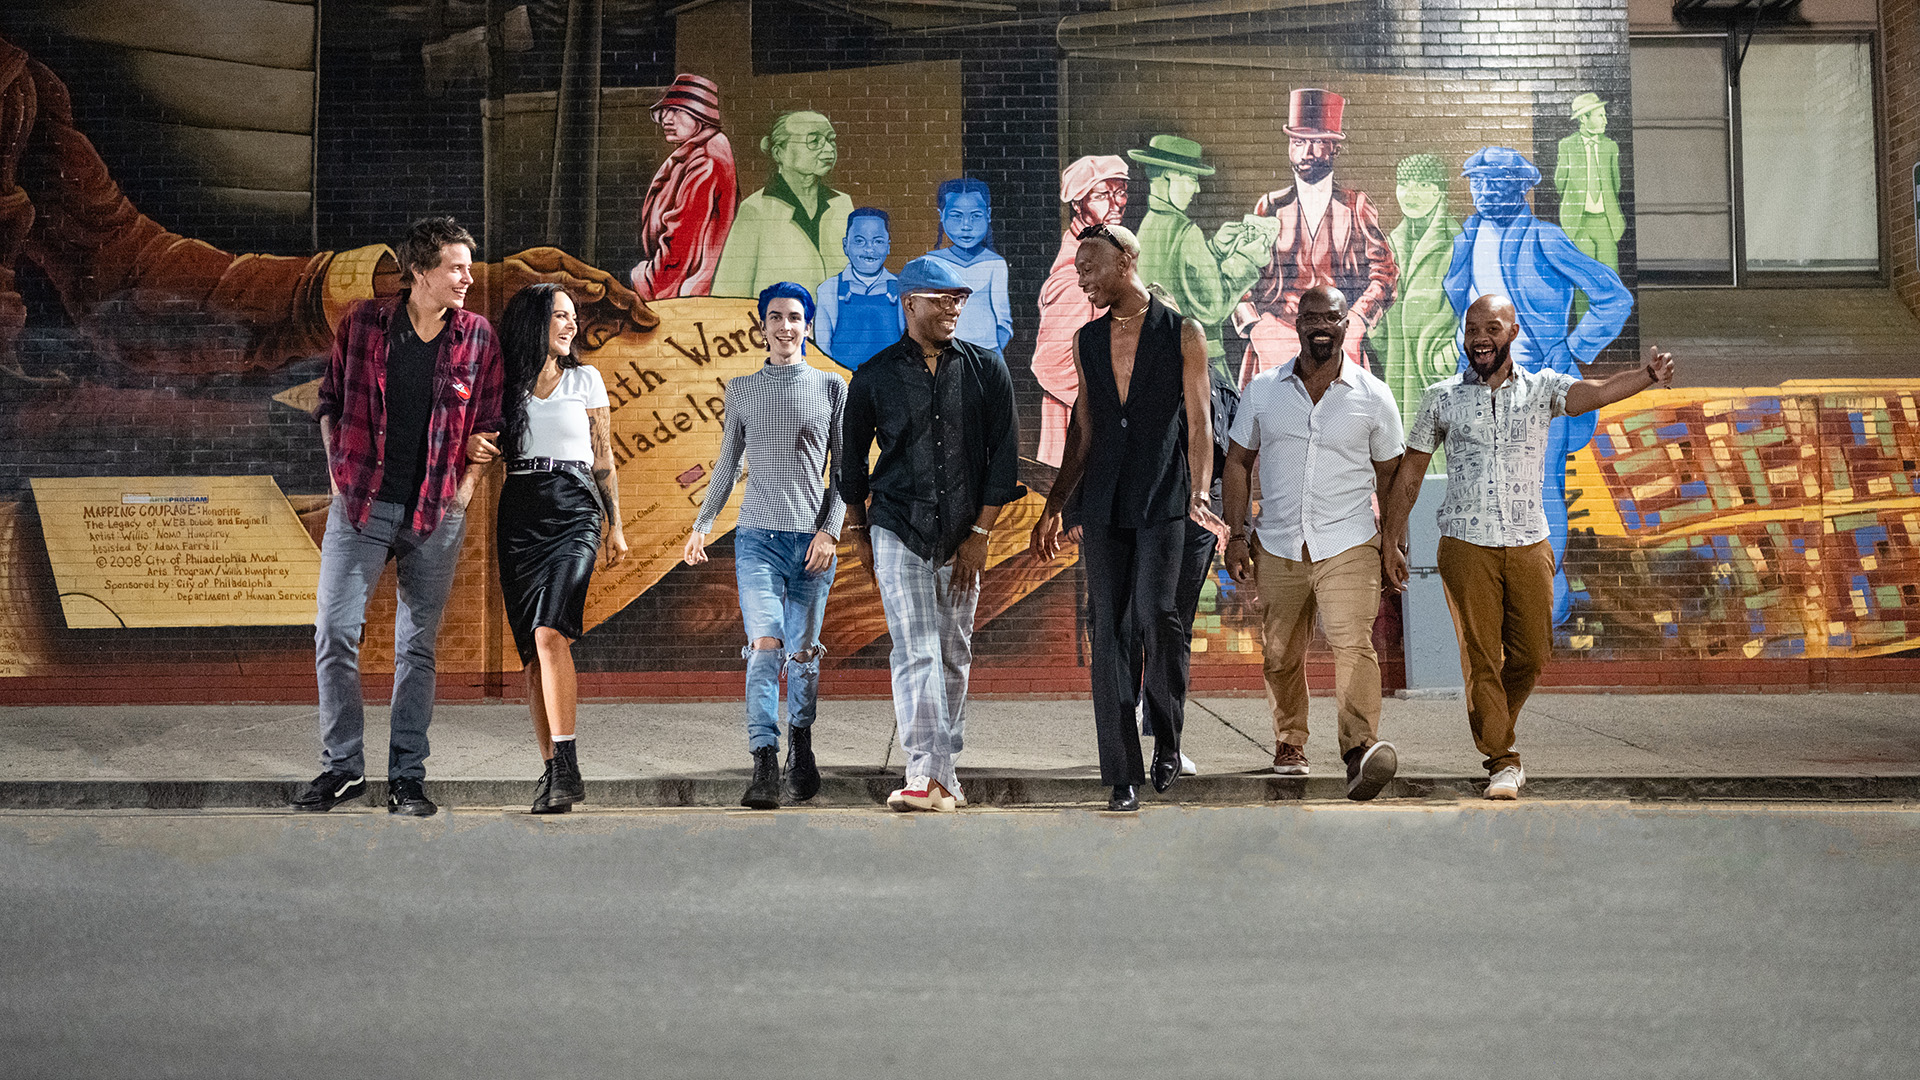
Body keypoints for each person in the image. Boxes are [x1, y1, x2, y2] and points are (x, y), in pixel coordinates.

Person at [1381, 294, 1675, 800]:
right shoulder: (1441, 398)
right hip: (1465, 542)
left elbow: (1597, 393)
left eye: (1490, 328)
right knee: (1480, 656)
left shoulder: (1543, 388)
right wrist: (1392, 539)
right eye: (1471, 329)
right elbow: (1410, 474)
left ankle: (1494, 726)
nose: (1478, 338)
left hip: (1527, 540)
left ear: (1512, 333)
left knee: (1534, 653)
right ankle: (1502, 759)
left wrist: (1646, 375)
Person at [293, 217, 504, 817]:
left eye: (468, 266)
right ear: (419, 271)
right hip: (361, 505)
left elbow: (488, 421)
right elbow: (328, 400)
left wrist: (463, 492)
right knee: (335, 631)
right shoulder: (363, 324)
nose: (467, 277)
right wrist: (339, 474)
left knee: (417, 648)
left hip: (436, 510)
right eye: (455, 267)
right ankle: (344, 769)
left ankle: (407, 776)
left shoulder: (477, 338)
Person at [1030, 223, 1225, 813]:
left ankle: (1167, 736)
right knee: (1108, 631)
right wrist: (1054, 506)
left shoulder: (1181, 332)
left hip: (1165, 498)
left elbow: (1200, 424)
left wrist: (1197, 491)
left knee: (1157, 618)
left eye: (1091, 267)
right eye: (1078, 269)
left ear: (1126, 260)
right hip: (1105, 500)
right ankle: (1121, 773)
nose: (1083, 278)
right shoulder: (1087, 341)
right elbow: (1083, 433)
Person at [841, 257, 1023, 813]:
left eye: (960, 299)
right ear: (909, 302)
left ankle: (944, 776)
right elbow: (850, 463)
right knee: (916, 650)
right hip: (897, 526)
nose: (954, 308)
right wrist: (857, 532)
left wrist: (980, 533)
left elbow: (1004, 458)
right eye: (942, 298)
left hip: (964, 534)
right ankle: (925, 775)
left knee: (952, 653)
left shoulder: (987, 369)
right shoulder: (872, 376)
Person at [1221, 285, 1404, 800]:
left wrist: (1393, 542)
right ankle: (1290, 741)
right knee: (1280, 656)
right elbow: (1237, 462)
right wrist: (1236, 534)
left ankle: (1359, 750)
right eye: (1310, 317)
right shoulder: (1263, 390)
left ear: (1348, 324)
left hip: (1349, 541)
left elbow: (1391, 477)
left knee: (1353, 645)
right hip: (1277, 544)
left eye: (1331, 317)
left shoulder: (1373, 395)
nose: (1320, 325)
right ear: (1296, 323)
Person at [1442, 146, 1634, 624]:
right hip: (1480, 392)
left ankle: (1550, 600)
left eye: (1496, 182)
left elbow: (1614, 297)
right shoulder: (1468, 235)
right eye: (1477, 182)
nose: (1484, 191)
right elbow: (1457, 298)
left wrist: (1572, 349)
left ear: (1519, 186)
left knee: (1541, 491)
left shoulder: (1545, 238)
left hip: (1537, 395)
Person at [464, 284, 628, 813]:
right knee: (531, 653)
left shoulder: (587, 379)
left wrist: (615, 526)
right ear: (536, 321)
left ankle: (568, 762)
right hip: (520, 511)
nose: (570, 324)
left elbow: (603, 458)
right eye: (560, 315)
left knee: (550, 629)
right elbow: (477, 436)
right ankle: (553, 773)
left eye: (573, 316)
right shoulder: (505, 384)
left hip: (575, 506)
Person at [684, 282, 846, 809]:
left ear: (809, 325)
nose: (785, 326)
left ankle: (801, 740)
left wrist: (830, 531)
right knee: (765, 646)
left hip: (812, 544)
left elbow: (845, 473)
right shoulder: (742, 390)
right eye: (775, 317)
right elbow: (727, 466)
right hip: (756, 539)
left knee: (802, 656)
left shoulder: (831, 387)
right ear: (761, 326)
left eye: (794, 317)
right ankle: (763, 761)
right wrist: (703, 523)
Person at [1233, 88, 1398, 388]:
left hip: (1338, 340)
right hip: (1276, 341)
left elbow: (1384, 274)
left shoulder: (1356, 206)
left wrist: (1359, 319)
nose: (1307, 152)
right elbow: (1240, 275)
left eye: (1318, 143)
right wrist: (1255, 325)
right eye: (1298, 142)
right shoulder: (1269, 206)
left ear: (1335, 149)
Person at [1129, 135, 1275, 385]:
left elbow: (1178, 272)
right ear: (1169, 176)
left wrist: (1215, 250)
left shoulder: (1150, 225)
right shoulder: (1187, 232)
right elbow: (1213, 306)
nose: (1196, 189)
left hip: (1162, 360)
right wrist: (1247, 259)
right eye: (1192, 179)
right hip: (1200, 363)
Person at [1033, 155, 1129, 467]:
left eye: (1121, 191)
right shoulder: (1075, 281)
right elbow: (1050, 366)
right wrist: (1112, 403)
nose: (1115, 204)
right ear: (1078, 204)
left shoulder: (1104, 255)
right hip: (1077, 432)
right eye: (1101, 195)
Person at [1370, 154, 1462, 469]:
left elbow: (1471, 310)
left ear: (1440, 191)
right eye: (1405, 183)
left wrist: (1445, 357)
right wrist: (1378, 334)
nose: (1412, 193)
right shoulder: (1390, 244)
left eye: (1423, 184)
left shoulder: (1456, 241)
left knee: (1440, 469)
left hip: (1438, 378)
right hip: (1397, 377)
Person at [711, 111, 852, 299]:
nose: (829, 150)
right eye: (814, 141)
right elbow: (729, 294)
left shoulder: (842, 204)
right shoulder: (755, 210)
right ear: (779, 152)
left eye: (831, 140)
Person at [629, 73, 737, 301]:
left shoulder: (705, 161)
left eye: (677, 111)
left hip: (683, 293)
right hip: (686, 290)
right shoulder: (695, 155)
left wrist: (647, 280)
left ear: (701, 114)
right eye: (664, 112)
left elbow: (681, 242)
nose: (667, 119)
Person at [922, 178, 1012, 351]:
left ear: (988, 214)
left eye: (975, 216)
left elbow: (1003, 320)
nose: (966, 226)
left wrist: (991, 353)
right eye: (956, 216)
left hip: (987, 353)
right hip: (946, 354)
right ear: (941, 215)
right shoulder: (932, 263)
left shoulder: (995, 263)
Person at [814, 207, 902, 371]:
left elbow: (909, 345)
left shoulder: (901, 288)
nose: (869, 249)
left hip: (891, 383)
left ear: (888, 246)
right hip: (844, 383)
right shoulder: (829, 289)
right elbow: (822, 349)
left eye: (878, 241)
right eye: (859, 241)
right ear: (845, 245)